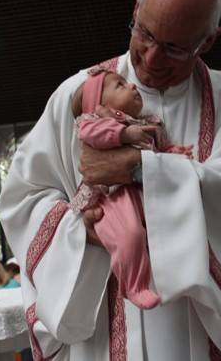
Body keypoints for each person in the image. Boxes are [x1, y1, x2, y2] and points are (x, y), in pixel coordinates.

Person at [0, 0, 221, 360]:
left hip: (193, 323)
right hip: (104, 315)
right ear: (136, 7)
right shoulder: (78, 94)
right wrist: (83, 230)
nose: (151, 59)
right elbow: (24, 197)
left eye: (174, 48)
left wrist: (139, 168)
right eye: (145, 33)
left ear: (208, 41)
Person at [69, 69, 193, 309]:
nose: (132, 86)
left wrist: (175, 152)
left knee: (159, 229)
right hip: (114, 197)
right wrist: (124, 133)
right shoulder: (95, 122)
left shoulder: (146, 122)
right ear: (99, 106)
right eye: (120, 85)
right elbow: (91, 134)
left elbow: (159, 149)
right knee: (131, 235)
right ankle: (134, 286)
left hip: (141, 192)